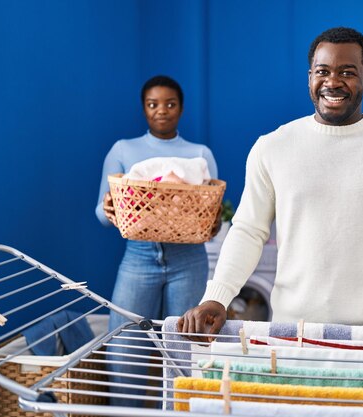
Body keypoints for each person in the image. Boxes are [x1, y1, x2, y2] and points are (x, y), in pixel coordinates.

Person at [178, 27, 363, 339]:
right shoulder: (273, 146)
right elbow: (248, 231)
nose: (333, 82)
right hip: (293, 335)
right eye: (322, 71)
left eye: (347, 72)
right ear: (310, 77)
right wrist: (216, 297)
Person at [95, 75, 218, 406]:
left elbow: (211, 219)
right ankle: (127, 412)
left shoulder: (199, 154)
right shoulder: (122, 150)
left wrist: (213, 218)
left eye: (169, 104)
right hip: (139, 259)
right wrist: (111, 208)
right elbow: (101, 213)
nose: (161, 111)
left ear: (180, 108)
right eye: (153, 105)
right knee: (124, 349)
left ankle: (180, 411)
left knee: (184, 353)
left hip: (189, 260)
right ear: (144, 109)